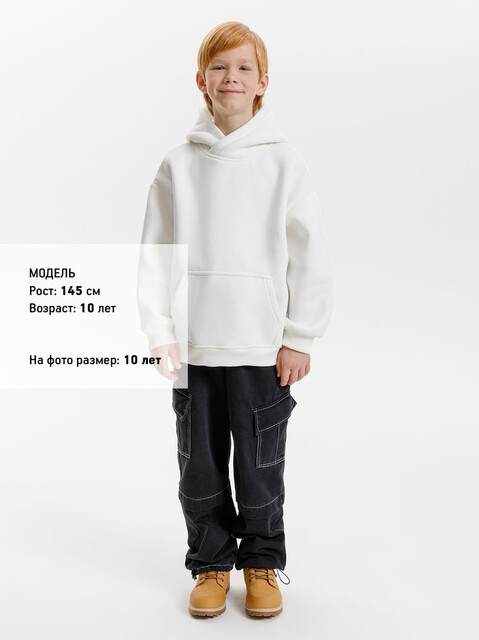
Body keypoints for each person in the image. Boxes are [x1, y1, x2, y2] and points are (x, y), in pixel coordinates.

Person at [137, 21, 333, 618]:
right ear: (201, 80)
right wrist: (160, 332)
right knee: (198, 467)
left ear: (262, 82)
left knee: (260, 465)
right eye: (219, 67)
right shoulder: (178, 165)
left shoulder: (284, 163)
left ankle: (261, 563)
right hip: (195, 349)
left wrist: (299, 336)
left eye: (244, 68)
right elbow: (155, 253)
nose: (231, 77)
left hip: (261, 348)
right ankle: (211, 564)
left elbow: (309, 254)